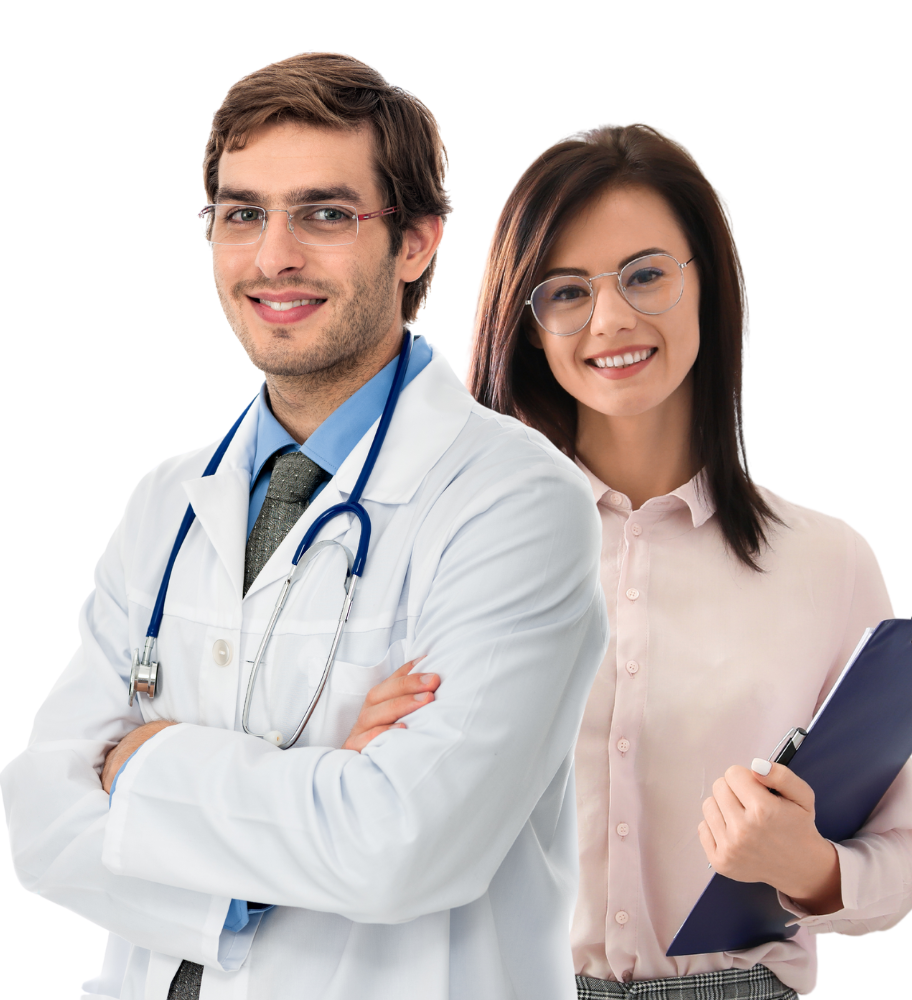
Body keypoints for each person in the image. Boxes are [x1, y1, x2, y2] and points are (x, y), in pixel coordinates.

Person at [0, 53, 608, 1000]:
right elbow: (37, 815)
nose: (273, 255)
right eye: (242, 214)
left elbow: (402, 847)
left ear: (415, 243)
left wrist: (141, 760)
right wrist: (317, 782)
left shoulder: (516, 503)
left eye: (325, 214)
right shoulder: (166, 500)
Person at [462, 123, 912, 999]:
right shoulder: (459, 556)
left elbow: (896, 867)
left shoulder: (827, 564)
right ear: (526, 327)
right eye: (565, 291)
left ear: (707, 285)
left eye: (645, 275)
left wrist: (810, 868)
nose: (611, 320)